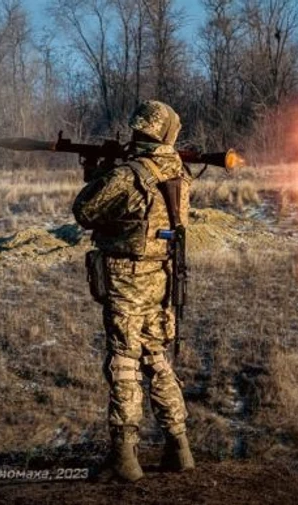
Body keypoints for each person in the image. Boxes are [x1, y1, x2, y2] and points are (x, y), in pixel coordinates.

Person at [73, 100, 195, 482]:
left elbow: (85, 211)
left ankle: (124, 457)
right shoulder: (179, 171)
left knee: (124, 361)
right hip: (160, 275)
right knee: (156, 356)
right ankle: (180, 446)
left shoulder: (129, 174)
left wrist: (98, 172)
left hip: (126, 277)